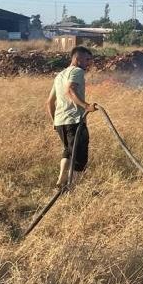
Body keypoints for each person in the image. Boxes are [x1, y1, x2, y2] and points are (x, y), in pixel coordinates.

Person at [46, 46, 98, 188]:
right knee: (79, 156)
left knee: (68, 151)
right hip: (74, 121)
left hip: (61, 121)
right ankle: (71, 186)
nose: (89, 63)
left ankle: (61, 180)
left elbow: (49, 102)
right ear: (77, 59)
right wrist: (86, 106)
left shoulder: (60, 75)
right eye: (87, 59)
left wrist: (54, 122)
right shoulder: (77, 71)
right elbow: (70, 90)